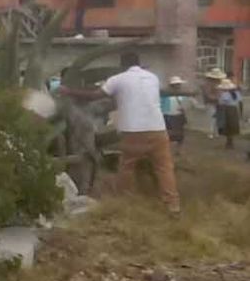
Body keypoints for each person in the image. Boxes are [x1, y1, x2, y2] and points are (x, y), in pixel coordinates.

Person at [60, 53, 180, 216]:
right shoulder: (153, 78)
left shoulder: (118, 79)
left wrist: (68, 91)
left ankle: (124, 204)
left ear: (122, 65)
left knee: (127, 168)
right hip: (158, 130)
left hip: (134, 132)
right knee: (165, 169)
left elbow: (94, 95)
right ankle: (172, 206)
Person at [160, 76, 189, 156]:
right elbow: (161, 105)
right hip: (168, 115)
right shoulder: (165, 94)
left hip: (178, 116)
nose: (179, 86)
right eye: (177, 84)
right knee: (168, 134)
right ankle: (168, 150)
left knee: (180, 134)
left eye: (179, 84)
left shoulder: (181, 94)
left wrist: (183, 108)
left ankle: (178, 150)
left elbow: (185, 104)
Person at [217, 79, 242, 150]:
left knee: (227, 126)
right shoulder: (236, 93)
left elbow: (221, 103)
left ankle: (229, 143)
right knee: (232, 126)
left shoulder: (224, 94)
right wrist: (240, 112)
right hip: (234, 110)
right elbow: (240, 103)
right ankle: (230, 142)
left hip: (227, 110)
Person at [202, 68, 226, 139]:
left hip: (219, 103)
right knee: (211, 119)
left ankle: (216, 132)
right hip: (211, 103)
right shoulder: (207, 84)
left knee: (218, 118)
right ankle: (210, 132)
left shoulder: (220, 83)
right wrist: (216, 98)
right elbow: (207, 94)